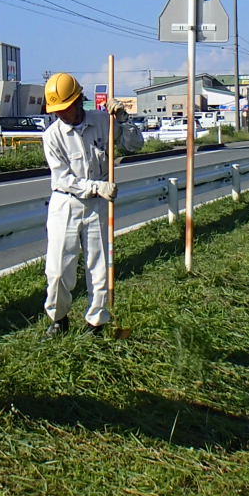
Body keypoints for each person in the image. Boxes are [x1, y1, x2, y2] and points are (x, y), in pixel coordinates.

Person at [40, 72, 143, 337]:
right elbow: (63, 178)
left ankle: (96, 323)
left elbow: (135, 145)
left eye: (65, 108)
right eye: (56, 110)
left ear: (78, 101)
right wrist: (97, 186)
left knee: (99, 268)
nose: (61, 114)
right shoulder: (52, 136)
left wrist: (122, 119)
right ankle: (58, 318)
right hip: (67, 203)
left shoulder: (102, 121)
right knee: (59, 270)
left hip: (98, 205)